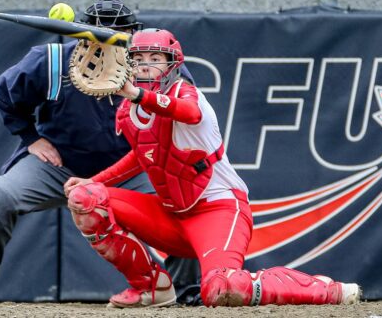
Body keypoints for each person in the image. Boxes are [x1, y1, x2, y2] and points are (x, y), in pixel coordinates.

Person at [64, 28, 362, 308]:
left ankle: (326, 289)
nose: (146, 66)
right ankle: (151, 287)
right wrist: (92, 180)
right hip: (170, 215)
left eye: (155, 59)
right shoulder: (130, 110)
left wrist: (137, 94)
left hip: (217, 209)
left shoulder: (186, 93)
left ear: (172, 64)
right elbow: (141, 156)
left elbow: (189, 114)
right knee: (86, 198)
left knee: (223, 289)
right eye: (139, 59)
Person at [0, 0, 202, 305]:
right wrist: (30, 137)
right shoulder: (53, 61)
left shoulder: (153, 64)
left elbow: (186, 108)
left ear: (134, 34)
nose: (109, 41)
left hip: (129, 170)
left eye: (119, 34)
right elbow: (5, 91)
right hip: (60, 166)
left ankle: (188, 294)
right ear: (81, 31)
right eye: (99, 32)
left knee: (179, 208)